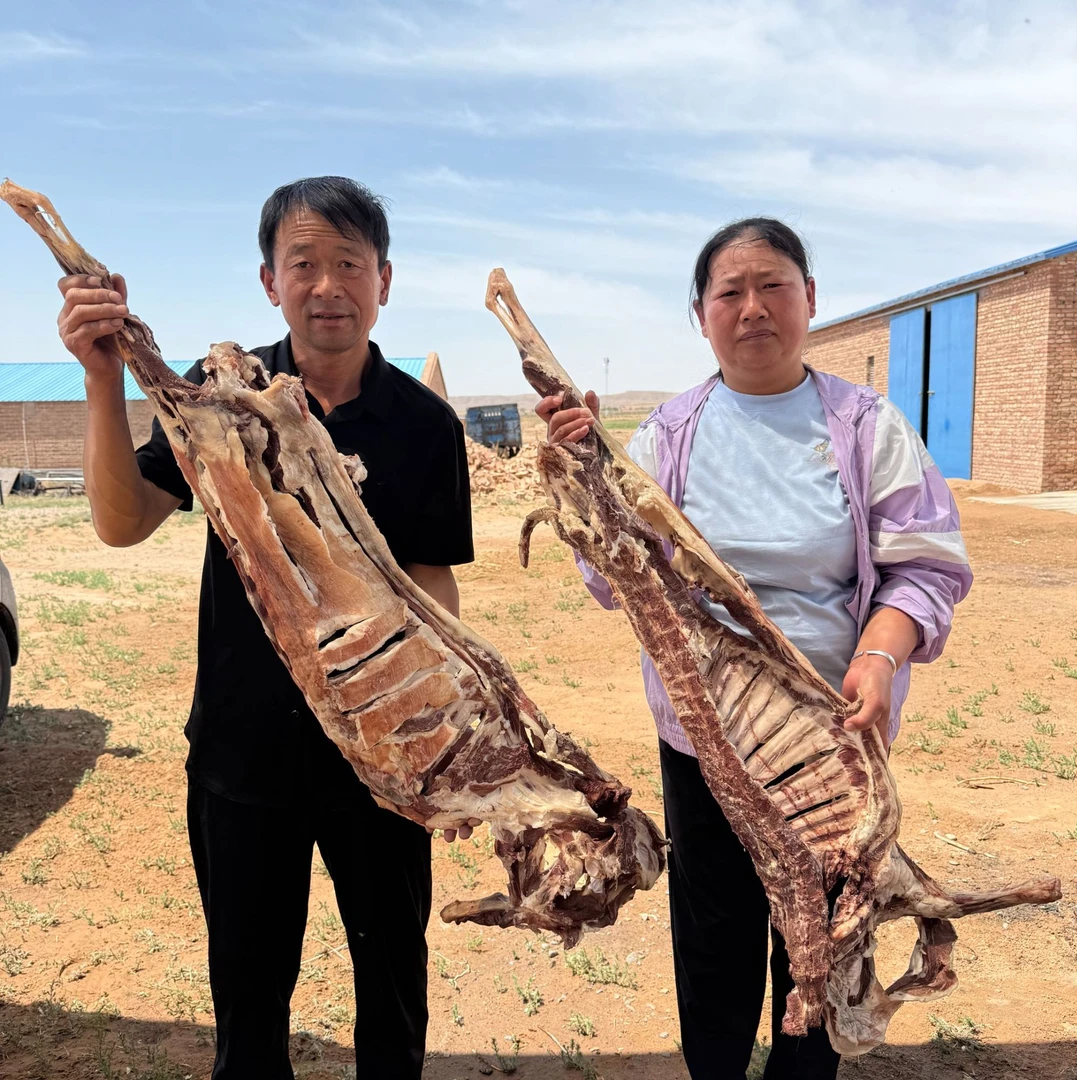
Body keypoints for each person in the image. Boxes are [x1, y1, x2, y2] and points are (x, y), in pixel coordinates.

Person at [56, 176, 474, 1080]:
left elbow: (434, 581)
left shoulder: (425, 426)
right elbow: (121, 523)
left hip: (381, 766)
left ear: (385, 281)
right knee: (248, 1009)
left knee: (393, 998)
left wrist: (438, 737)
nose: (328, 286)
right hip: (245, 755)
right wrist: (101, 383)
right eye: (305, 265)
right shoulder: (218, 395)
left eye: (349, 265)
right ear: (268, 281)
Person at [539, 218, 972, 1080]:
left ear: (810, 298)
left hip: (828, 739)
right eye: (728, 292)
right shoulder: (670, 433)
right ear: (700, 314)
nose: (753, 308)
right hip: (706, 739)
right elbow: (617, 580)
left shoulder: (864, 424)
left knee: (819, 940)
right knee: (714, 935)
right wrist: (587, 484)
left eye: (772, 285)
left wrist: (881, 656)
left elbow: (924, 566)